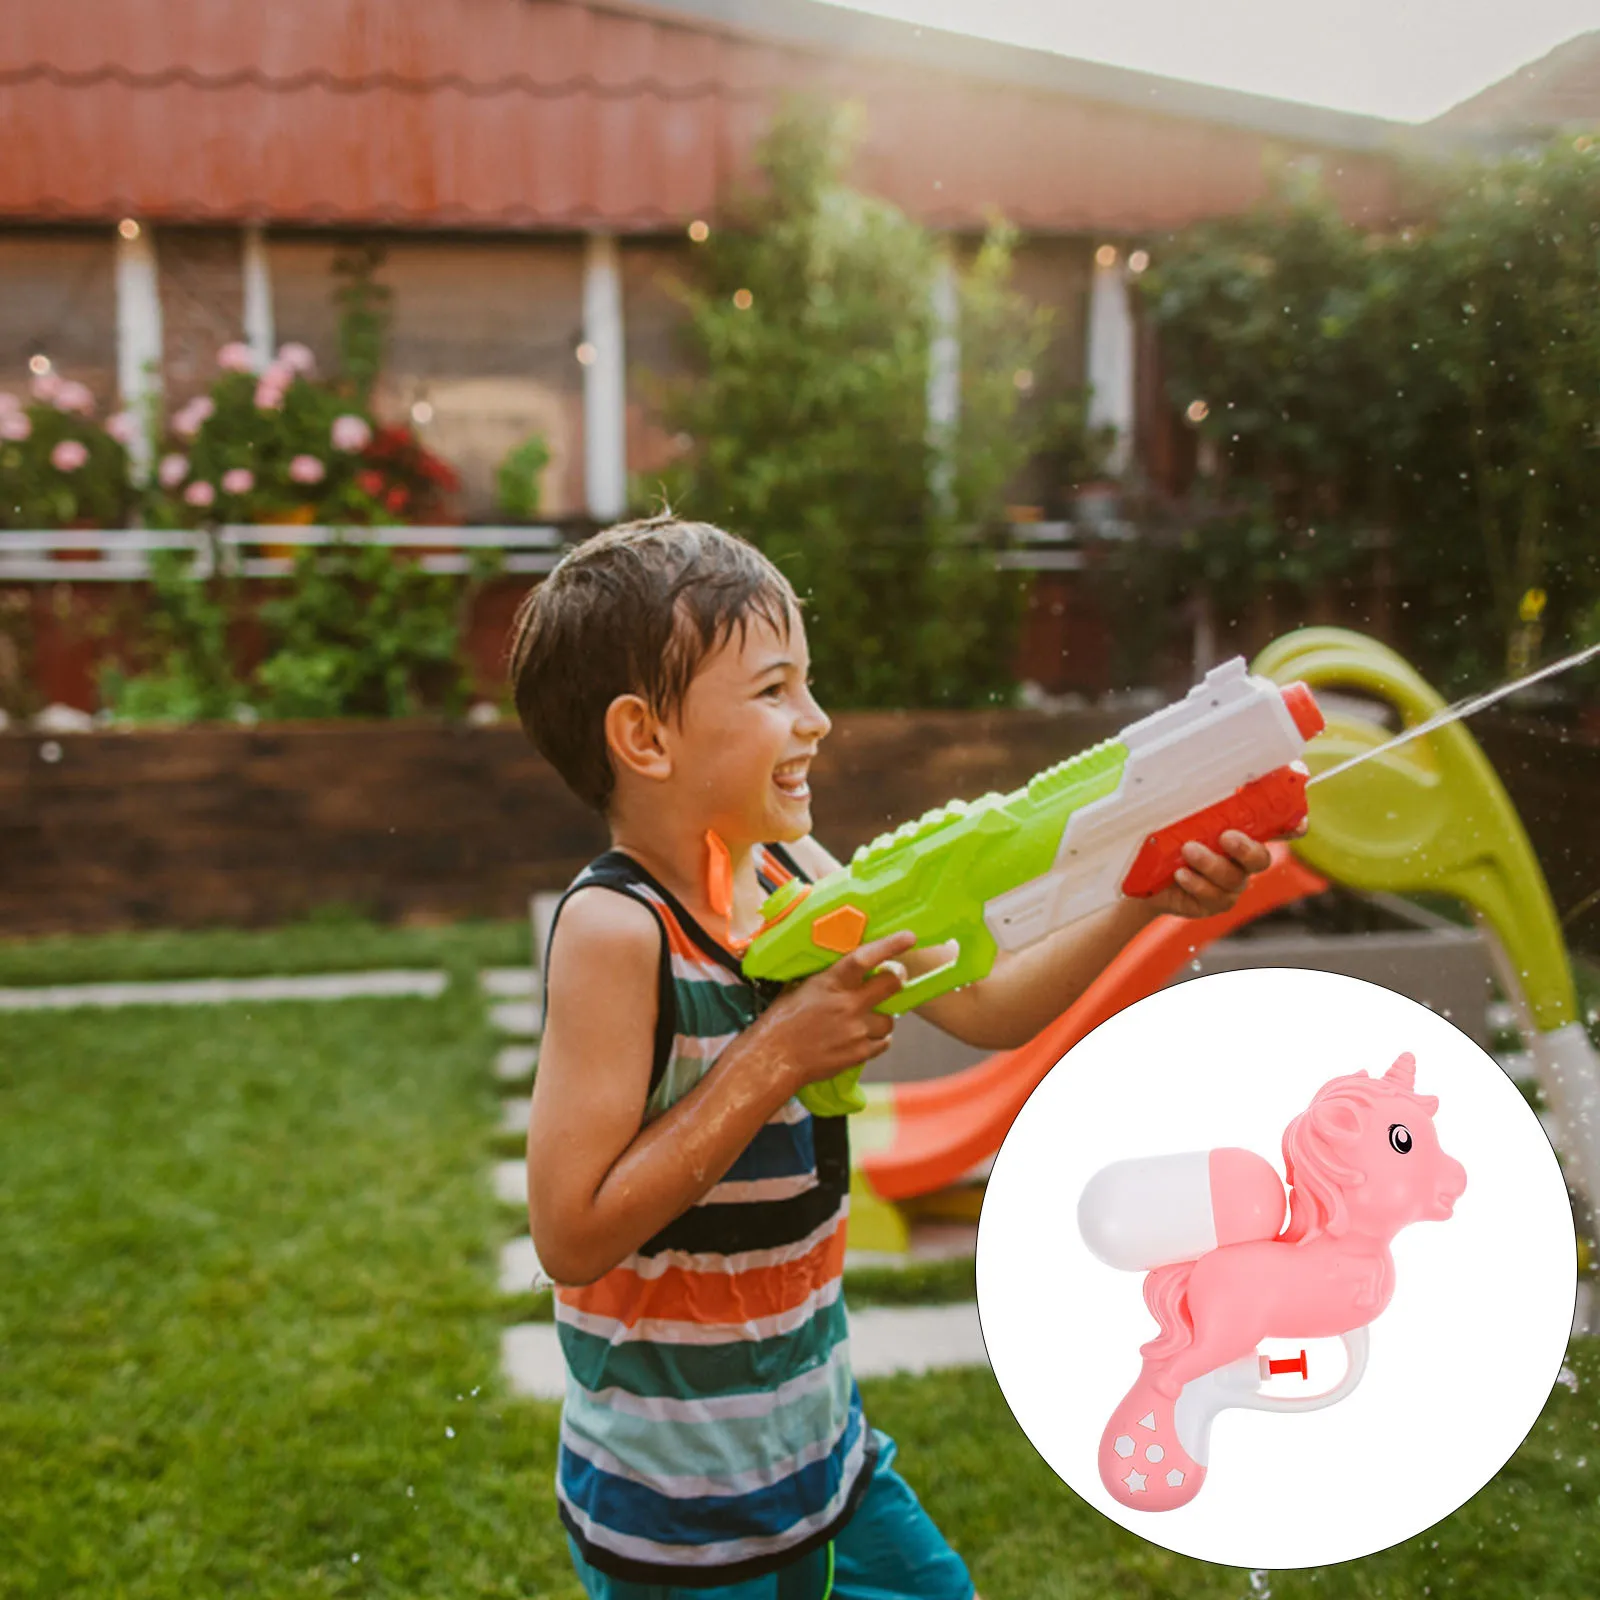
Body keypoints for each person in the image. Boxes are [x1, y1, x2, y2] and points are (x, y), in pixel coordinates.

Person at [508, 515, 1288, 1599]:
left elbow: (987, 1008)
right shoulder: (618, 930)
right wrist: (776, 1053)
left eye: (808, 685)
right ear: (646, 737)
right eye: (774, 690)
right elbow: (571, 1231)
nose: (816, 721)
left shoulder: (788, 870)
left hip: (827, 1461)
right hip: (677, 1519)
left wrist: (1143, 897)